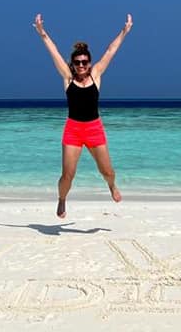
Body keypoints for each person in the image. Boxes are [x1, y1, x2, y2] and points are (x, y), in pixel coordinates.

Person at [33, 12, 132, 218]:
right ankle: (62, 199)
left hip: (94, 128)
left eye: (84, 62)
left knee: (108, 172)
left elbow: (110, 51)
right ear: (73, 63)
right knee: (68, 176)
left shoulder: (96, 75)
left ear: (89, 62)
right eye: (77, 62)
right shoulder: (68, 78)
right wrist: (42, 33)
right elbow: (54, 53)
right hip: (73, 130)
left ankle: (111, 186)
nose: (81, 66)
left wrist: (124, 31)